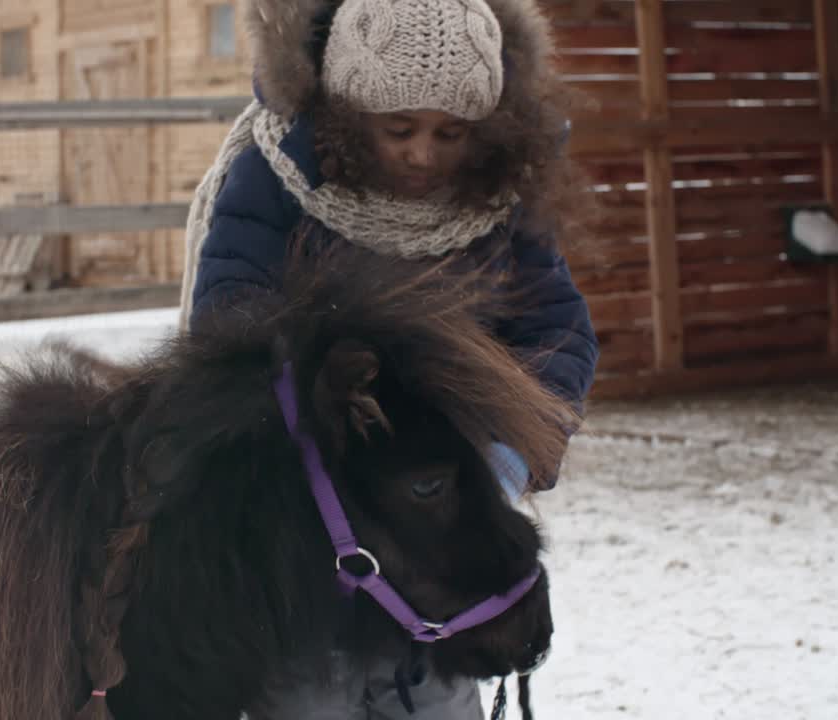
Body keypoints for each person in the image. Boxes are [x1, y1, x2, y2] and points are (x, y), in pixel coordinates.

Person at [178, 0, 599, 715]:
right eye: (398, 128)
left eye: (451, 133)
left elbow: (557, 329)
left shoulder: (498, 198)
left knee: (437, 688)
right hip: (304, 504)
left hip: (439, 509)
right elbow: (229, 320)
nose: (423, 153)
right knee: (308, 689)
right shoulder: (276, 175)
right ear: (348, 115)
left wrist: (511, 451)